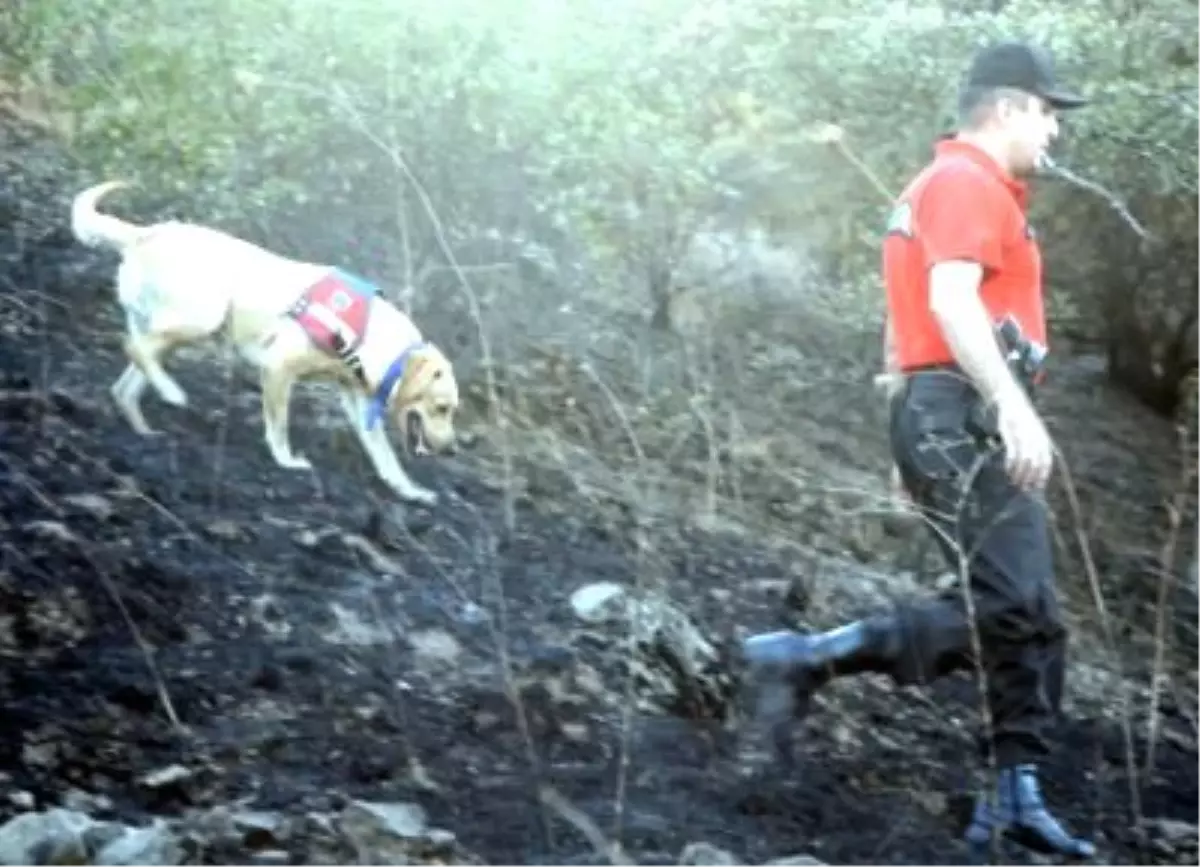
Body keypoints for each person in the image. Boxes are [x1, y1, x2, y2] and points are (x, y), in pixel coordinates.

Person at [739, 41, 1096, 860]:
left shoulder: (941, 187)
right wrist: (1009, 405)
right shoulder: (968, 182)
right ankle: (805, 657)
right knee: (1013, 605)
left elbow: (900, 331)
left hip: (936, 412)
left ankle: (1015, 791)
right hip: (963, 410)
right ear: (1005, 108)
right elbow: (946, 299)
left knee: (1024, 607)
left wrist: (906, 446)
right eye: (1047, 113)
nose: (1053, 132)